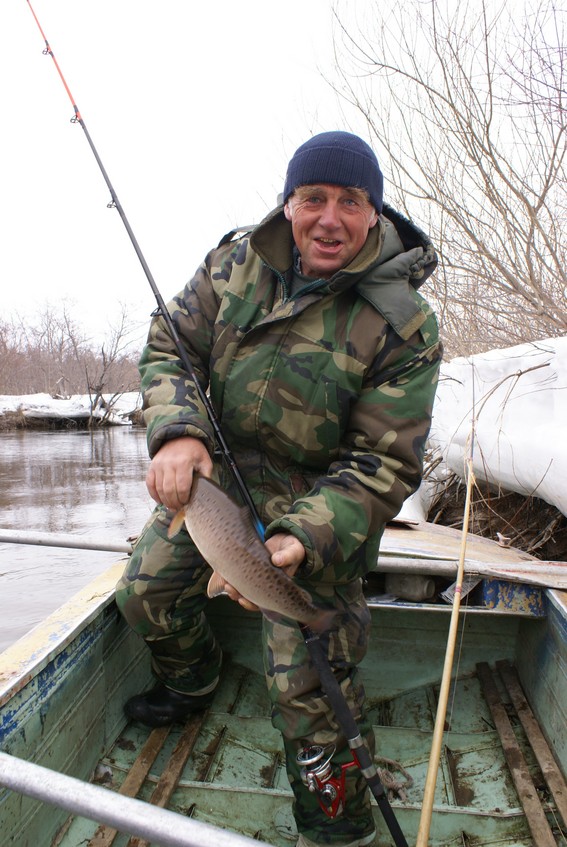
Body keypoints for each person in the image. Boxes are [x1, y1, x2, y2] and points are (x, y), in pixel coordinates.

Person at [116, 130, 442, 847]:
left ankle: (334, 821)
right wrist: (177, 430)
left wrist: (302, 537)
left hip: (321, 504)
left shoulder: (403, 324)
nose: (329, 217)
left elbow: (381, 462)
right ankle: (192, 684)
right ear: (288, 202)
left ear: (373, 212)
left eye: (349, 202)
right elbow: (170, 343)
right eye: (313, 198)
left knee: (308, 689)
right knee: (143, 592)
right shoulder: (236, 262)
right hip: (217, 484)